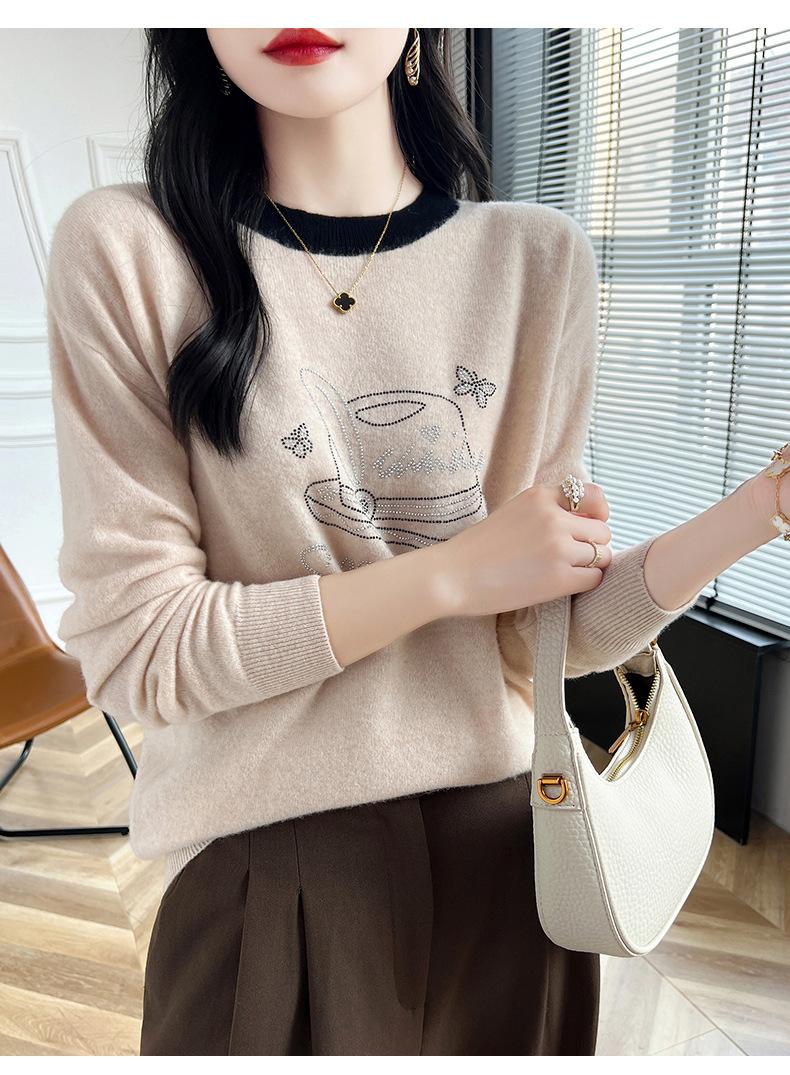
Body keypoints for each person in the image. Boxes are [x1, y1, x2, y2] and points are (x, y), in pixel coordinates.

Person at [45, 27, 789, 1056]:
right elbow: (143, 651)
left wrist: (760, 509)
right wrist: (448, 576)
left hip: (514, 866)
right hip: (266, 875)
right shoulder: (130, 251)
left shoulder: (536, 262)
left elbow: (538, 636)